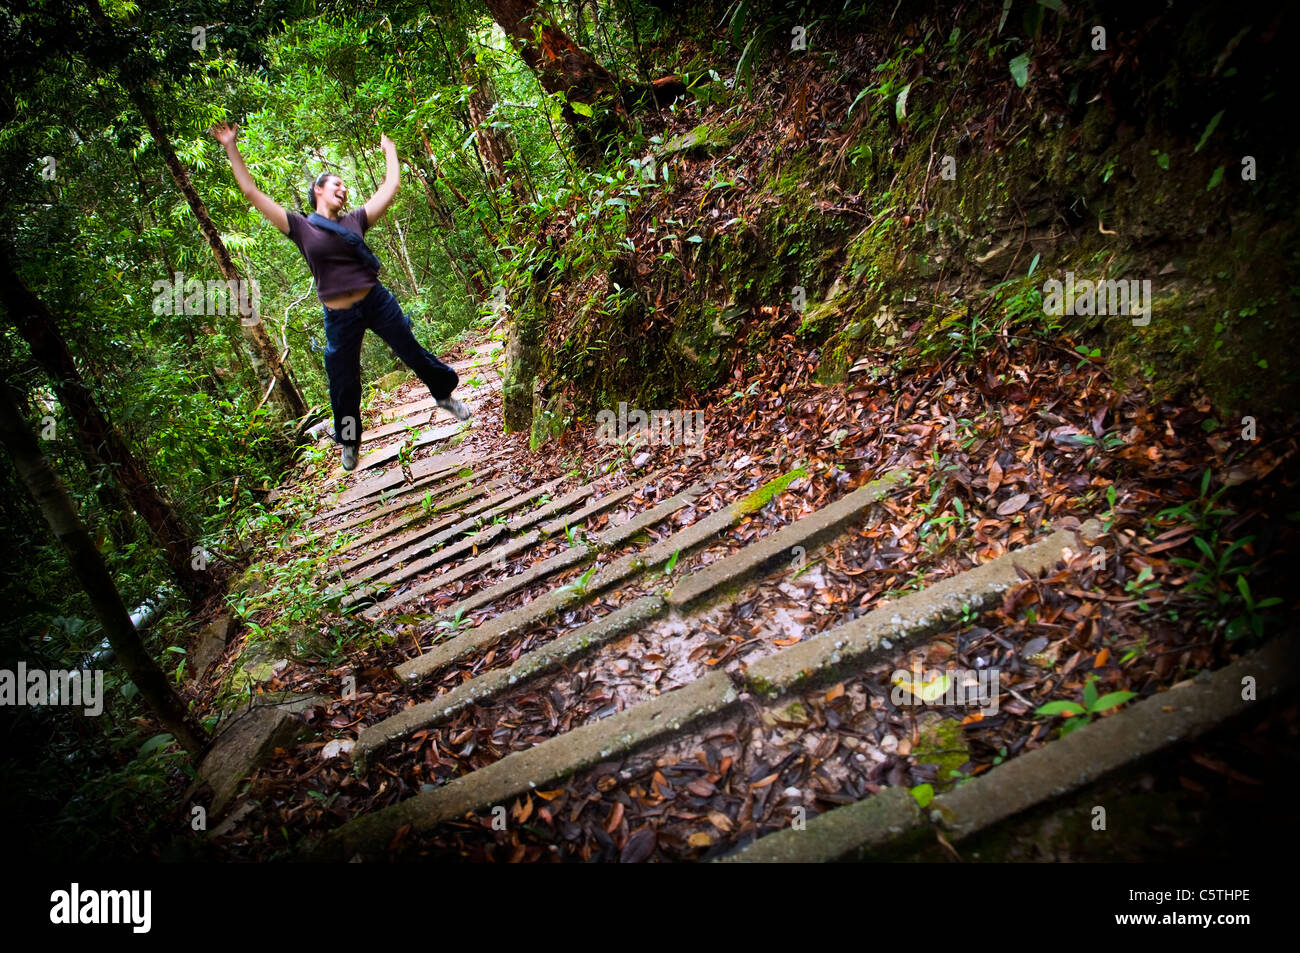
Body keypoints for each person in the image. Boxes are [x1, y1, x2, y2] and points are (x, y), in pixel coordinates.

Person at [207, 122, 469, 471]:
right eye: (336, 185)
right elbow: (251, 191)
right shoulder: (299, 226)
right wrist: (230, 146)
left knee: (411, 349)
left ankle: (443, 396)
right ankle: (348, 439)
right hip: (339, 315)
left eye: (345, 186)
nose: (343, 190)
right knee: (342, 382)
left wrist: (389, 148)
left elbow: (390, 186)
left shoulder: (356, 220)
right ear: (317, 190)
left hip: (376, 301)